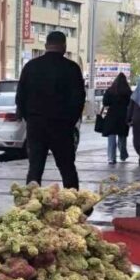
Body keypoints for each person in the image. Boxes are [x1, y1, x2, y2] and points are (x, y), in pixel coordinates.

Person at [15, 31, 86, 189]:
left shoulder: (31, 67)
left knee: (35, 169)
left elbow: (20, 96)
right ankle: (74, 204)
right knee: (67, 168)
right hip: (62, 127)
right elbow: (78, 99)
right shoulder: (72, 68)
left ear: (46, 46)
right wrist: (69, 122)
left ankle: (31, 205)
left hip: (36, 125)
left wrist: (30, 118)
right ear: (64, 47)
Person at [98, 73, 131, 165]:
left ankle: (112, 158)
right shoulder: (128, 92)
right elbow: (130, 104)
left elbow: (105, 103)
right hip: (123, 117)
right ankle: (123, 155)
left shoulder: (110, 91)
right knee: (122, 137)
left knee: (111, 138)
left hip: (112, 117)